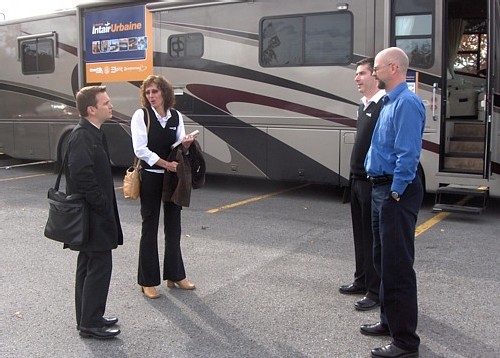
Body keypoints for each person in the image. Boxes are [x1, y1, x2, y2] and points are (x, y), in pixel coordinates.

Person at [361, 47, 425, 358]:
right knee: (382, 260)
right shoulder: (388, 102)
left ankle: (405, 343)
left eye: (376, 68)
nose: (373, 73)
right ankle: (389, 321)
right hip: (380, 189)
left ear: (394, 67)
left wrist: (397, 192)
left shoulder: (407, 103)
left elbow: (408, 154)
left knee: (398, 266)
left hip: (394, 192)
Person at [131, 75, 197, 299]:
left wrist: (186, 145)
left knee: (174, 225)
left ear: (165, 93)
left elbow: (178, 145)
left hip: (171, 179)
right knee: (149, 227)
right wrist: (165, 163)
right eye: (148, 92)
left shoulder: (176, 116)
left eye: (155, 92)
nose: (151, 96)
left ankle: (175, 275)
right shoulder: (141, 116)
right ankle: (147, 281)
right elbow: (140, 149)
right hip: (151, 176)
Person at [65, 86, 123, 339]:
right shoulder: (82, 136)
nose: (110, 106)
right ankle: (91, 323)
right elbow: (81, 175)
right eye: (106, 103)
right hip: (92, 216)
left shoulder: (93, 133)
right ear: (91, 109)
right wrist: (101, 204)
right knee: (98, 265)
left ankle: (89, 317)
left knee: (88, 265)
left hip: (94, 215)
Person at [339, 58, 384, 312]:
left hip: (370, 182)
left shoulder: (383, 105)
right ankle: (361, 280)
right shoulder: (362, 105)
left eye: (362, 73)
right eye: (356, 74)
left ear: (374, 77)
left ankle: (375, 291)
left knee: (372, 238)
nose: (357, 78)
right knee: (360, 234)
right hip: (356, 179)